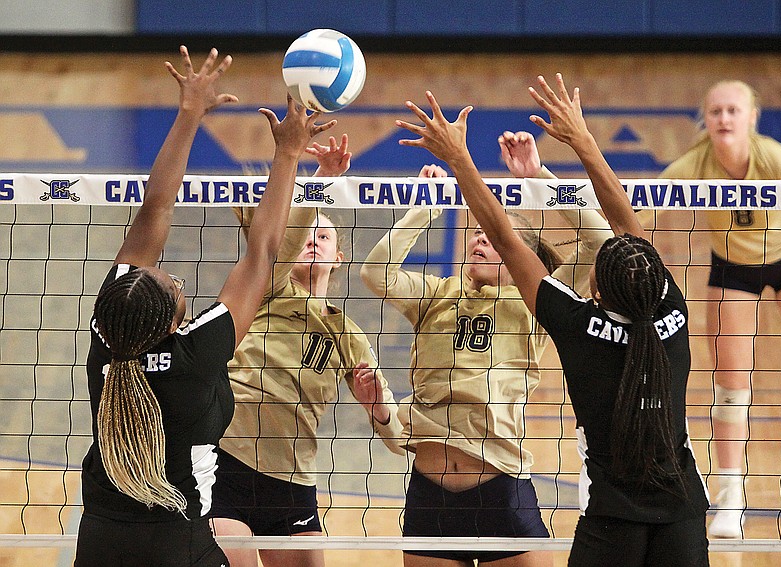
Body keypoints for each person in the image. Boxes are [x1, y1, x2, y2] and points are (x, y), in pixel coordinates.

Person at [395, 75, 709, 566]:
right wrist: (579, 143)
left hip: (613, 522)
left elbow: (502, 233)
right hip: (684, 516)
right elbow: (620, 223)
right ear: (654, 275)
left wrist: (460, 159)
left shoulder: (579, 328)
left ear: (595, 291)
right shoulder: (671, 309)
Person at [74, 46, 334, 567]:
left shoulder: (113, 340)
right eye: (167, 282)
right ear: (172, 319)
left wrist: (189, 114)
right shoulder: (191, 352)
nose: (167, 273)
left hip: (100, 540)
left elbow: (155, 210)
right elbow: (261, 251)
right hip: (178, 546)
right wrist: (287, 155)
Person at [359, 134, 612, 566]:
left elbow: (600, 243)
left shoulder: (539, 302)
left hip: (502, 492)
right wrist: (426, 208)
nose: (480, 240)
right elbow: (375, 273)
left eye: (495, 238)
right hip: (429, 497)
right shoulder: (437, 295)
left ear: (520, 256)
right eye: (477, 233)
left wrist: (539, 179)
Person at [209, 133, 406, 567]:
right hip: (228, 466)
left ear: (340, 258)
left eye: (326, 236)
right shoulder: (264, 289)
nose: (315, 239)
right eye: (309, 232)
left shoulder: (345, 332)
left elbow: (398, 438)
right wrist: (322, 181)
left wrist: (379, 409)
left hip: (293, 482)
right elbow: (281, 239)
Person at [660, 80, 781, 538]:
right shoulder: (695, 163)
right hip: (732, 268)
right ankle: (730, 497)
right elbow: (640, 204)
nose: (724, 119)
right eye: (716, 111)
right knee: (731, 388)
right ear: (706, 119)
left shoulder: (777, 160)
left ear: (752, 117)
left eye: (733, 111)